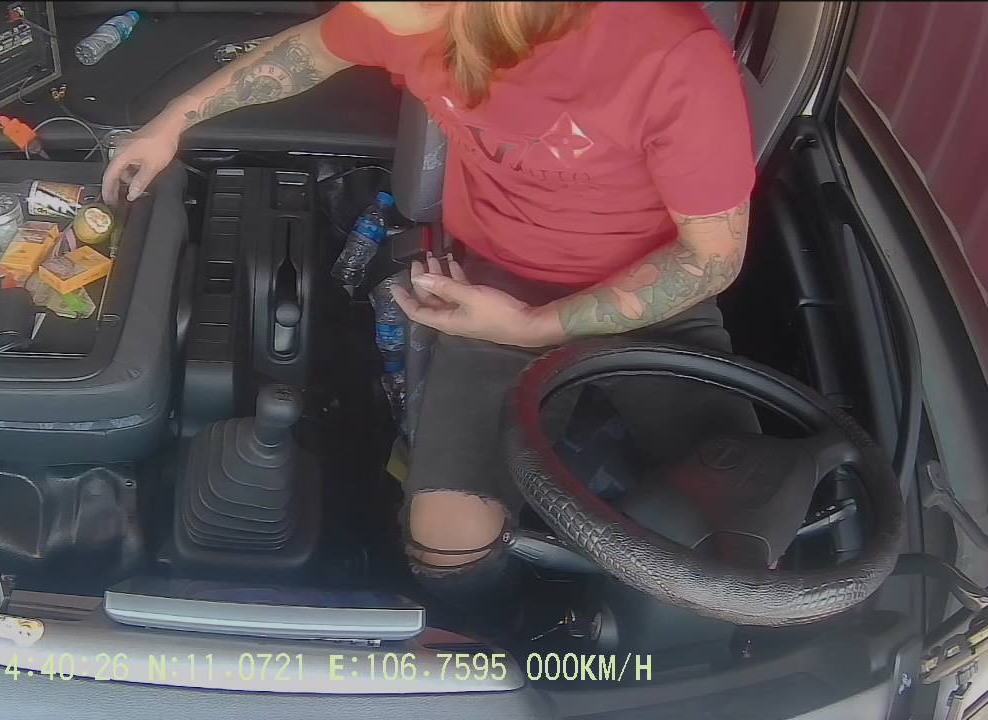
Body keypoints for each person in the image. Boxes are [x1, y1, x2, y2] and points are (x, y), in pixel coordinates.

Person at [103, 2, 758, 630]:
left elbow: (710, 260)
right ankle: (524, 629)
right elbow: (306, 52)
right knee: (447, 553)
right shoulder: (405, 17)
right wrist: (171, 123)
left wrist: (536, 326)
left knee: (736, 553)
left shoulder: (670, 54)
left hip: (649, 301)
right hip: (493, 285)